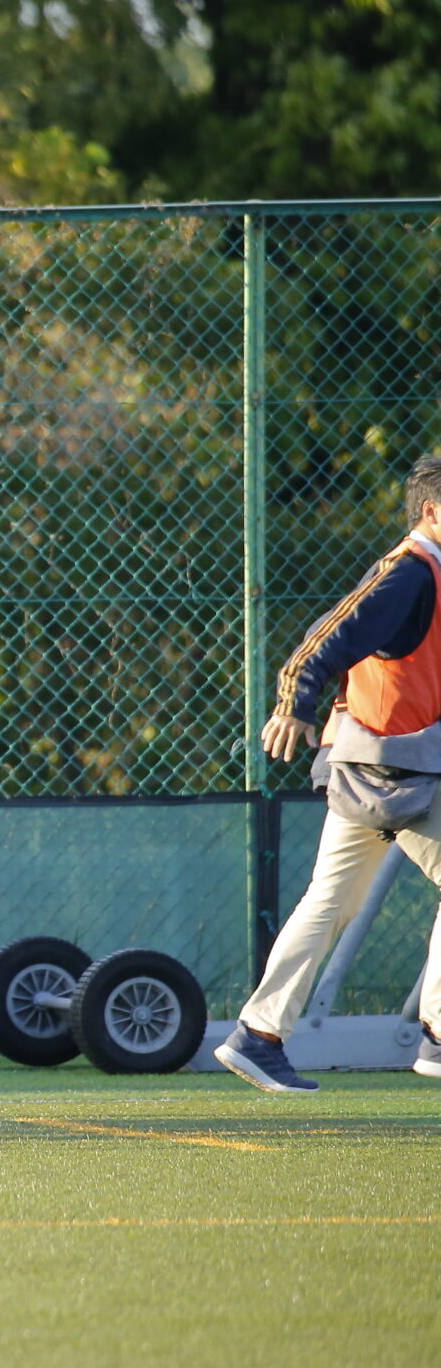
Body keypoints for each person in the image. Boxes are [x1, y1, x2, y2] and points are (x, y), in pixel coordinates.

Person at [222, 452, 441, 1092]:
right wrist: (294, 699)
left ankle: (258, 1035)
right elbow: (330, 633)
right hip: (391, 774)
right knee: (332, 900)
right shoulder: (409, 572)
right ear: (432, 510)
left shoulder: (428, 575)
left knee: (332, 900)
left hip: (374, 768)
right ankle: (437, 1035)